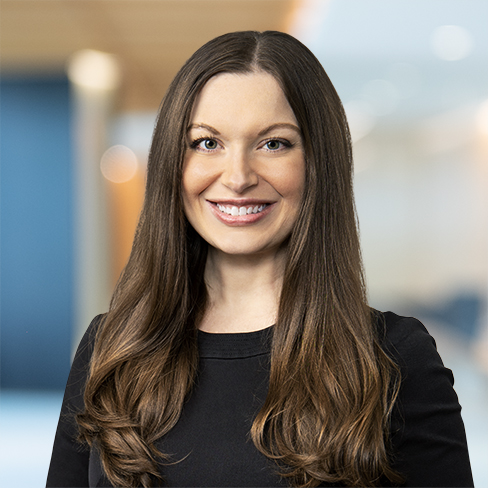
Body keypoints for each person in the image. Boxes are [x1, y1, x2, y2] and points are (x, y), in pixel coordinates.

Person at [47, 31, 473, 488]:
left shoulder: (393, 358)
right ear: (174, 160)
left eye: (273, 144)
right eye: (207, 143)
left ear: (318, 163)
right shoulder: (111, 349)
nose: (237, 177)